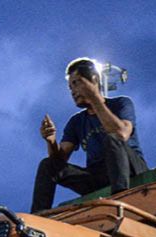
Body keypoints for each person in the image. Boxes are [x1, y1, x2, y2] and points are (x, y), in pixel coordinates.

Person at [31, 58, 148, 213]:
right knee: (47, 165)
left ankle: (120, 199)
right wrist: (51, 140)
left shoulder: (121, 104)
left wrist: (94, 98)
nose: (73, 91)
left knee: (112, 138)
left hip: (130, 167)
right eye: (70, 87)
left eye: (76, 83)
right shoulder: (76, 122)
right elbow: (58, 161)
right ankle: (37, 217)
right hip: (97, 176)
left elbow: (121, 133)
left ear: (94, 80)